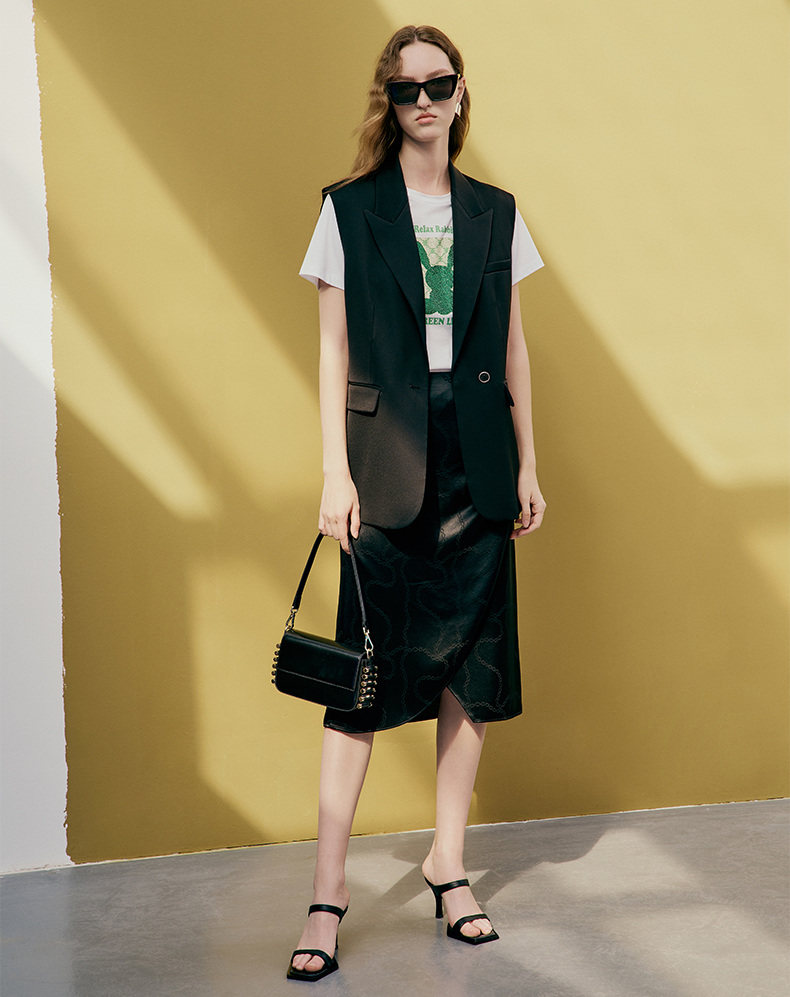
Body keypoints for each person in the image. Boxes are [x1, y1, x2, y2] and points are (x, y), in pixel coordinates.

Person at [288, 24, 546, 981]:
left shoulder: (495, 212)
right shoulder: (348, 209)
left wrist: (528, 462)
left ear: (461, 92)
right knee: (360, 677)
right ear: (389, 102)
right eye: (407, 89)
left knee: (468, 673)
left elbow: (513, 344)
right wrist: (334, 471)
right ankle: (328, 891)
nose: (425, 100)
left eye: (440, 84)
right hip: (386, 455)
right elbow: (331, 349)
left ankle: (448, 863)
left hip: (478, 456)